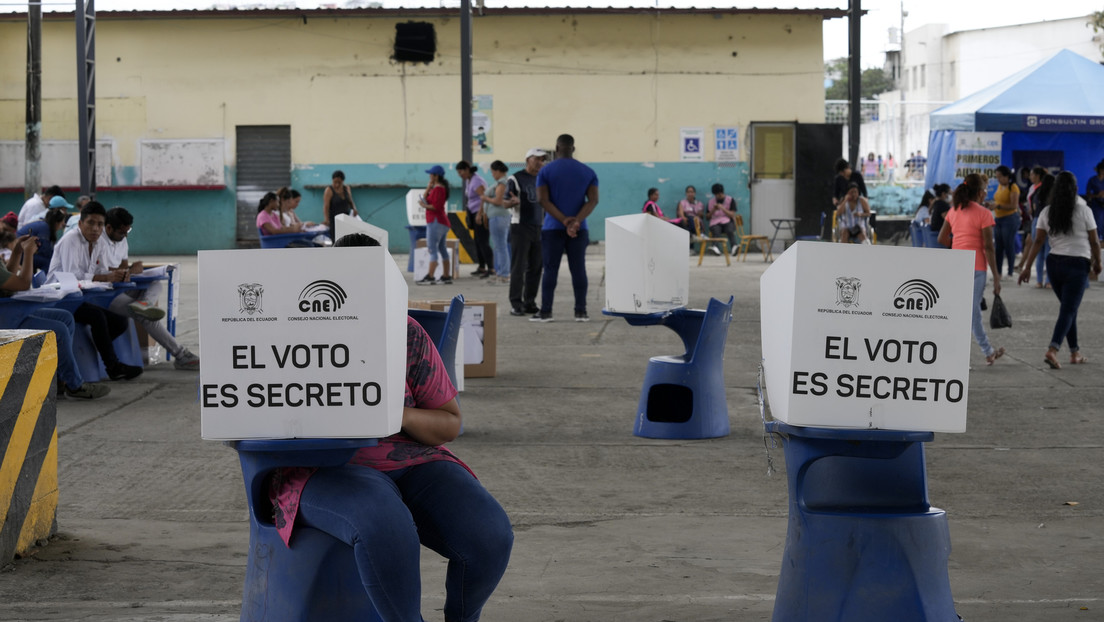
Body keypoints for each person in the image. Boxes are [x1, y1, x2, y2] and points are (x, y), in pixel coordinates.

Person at [268, 232, 513, 622]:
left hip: (411, 460)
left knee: (490, 536)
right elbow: (243, 409)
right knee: (386, 527)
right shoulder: (287, 334)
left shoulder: (406, 333)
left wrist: (395, 413)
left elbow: (449, 422)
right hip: (325, 466)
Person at [1, 233, 110, 399]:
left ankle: (60, 379)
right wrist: (28, 253)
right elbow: (22, 284)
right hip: (6, 317)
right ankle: (75, 385)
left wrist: (17, 252)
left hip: (11, 311)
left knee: (65, 317)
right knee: (58, 330)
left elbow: (7, 278)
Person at [47, 201, 143, 381]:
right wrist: (105, 277)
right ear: (80, 223)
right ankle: (113, 367)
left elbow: (102, 271)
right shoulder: (70, 240)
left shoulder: (99, 244)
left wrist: (119, 275)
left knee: (119, 322)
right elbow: (72, 276)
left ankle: (96, 346)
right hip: (60, 298)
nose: (95, 229)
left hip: (79, 298)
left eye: (99, 224)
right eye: (90, 223)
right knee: (97, 317)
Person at [1018, 171, 1102, 369]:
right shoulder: (1084, 211)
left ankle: (1074, 352)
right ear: (1076, 189)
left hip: (1054, 265)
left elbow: (1038, 241)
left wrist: (1027, 267)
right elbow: (1094, 241)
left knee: (1068, 308)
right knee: (1068, 309)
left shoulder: (1047, 212)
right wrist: (1098, 262)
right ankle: (1053, 349)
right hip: (1077, 265)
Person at [102, 207, 200, 371]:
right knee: (146, 317)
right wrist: (124, 271)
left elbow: (123, 267)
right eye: (122, 232)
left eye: (128, 232)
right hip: (106, 295)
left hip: (121, 287)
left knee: (155, 283)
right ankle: (181, 354)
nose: (125, 236)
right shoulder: (98, 242)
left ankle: (144, 303)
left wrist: (132, 269)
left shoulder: (121, 240)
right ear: (109, 228)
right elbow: (99, 272)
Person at [938, 173, 1005, 365]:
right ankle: (980, 352)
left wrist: (958, 246)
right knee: (971, 311)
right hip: (977, 268)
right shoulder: (984, 213)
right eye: (985, 190)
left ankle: (984, 351)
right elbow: (989, 247)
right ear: (980, 192)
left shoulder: (954, 210)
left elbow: (942, 238)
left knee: (967, 310)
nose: (985, 193)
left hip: (957, 267)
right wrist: (996, 276)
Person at [534, 133, 599, 322]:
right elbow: (593, 200)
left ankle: (546, 312)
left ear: (556, 149)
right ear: (573, 149)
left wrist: (564, 220)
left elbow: (542, 200)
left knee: (550, 269)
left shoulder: (545, 171)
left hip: (552, 228)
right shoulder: (588, 172)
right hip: (579, 229)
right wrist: (576, 221)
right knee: (578, 269)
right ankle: (581, 312)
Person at [505, 148, 545, 317]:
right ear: (528, 160)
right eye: (537, 159)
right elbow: (505, 202)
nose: (540, 162)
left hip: (539, 227)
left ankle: (530, 302)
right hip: (520, 227)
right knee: (518, 267)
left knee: (536, 267)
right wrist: (512, 202)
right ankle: (516, 303)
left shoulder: (543, 179)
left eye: (542, 160)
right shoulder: (515, 178)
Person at [416, 165, 453, 285]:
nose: (429, 176)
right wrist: (428, 187)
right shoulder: (437, 188)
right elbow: (425, 198)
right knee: (442, 248)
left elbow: (435, 207)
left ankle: (430, 276)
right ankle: (446, 276)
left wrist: (424, 206)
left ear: (436, 176)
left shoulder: (438, 189)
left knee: (432, 249)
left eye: (431, 174)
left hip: (436, 222)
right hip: (441, 222)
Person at [457, 161, 494, 278]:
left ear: (467, 169)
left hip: (480, 213)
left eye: (461, 172)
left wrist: (480, 214)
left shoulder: (477, 181)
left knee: (483, 241)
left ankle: (491, 268)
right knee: (477, 241)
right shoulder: (469, 180)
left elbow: (484, 197)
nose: (460, 175)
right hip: (473, 213)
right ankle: (482, 267)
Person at [1018, 168, 1052, 287]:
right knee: (1048, 252)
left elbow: (1031, 207)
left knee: (1039, 252)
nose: (1030, 176)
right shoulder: (1052, 194)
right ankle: (1048, 281)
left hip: (1037, 221)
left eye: (1032, 174)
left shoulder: (1036, 192)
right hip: (1050, 221)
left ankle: (1039, 280)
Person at [987, 165, 1021, 277]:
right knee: (998, 246)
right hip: (998, 219)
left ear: (1007, 176)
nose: (998, 179)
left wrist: (998, 206)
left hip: (1010, 219)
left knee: (1008, 245)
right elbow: (998, 201)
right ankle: (998, 272)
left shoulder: (1013, 187)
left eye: (1000, 177)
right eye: (997, 177)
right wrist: (992, 205)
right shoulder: (1000, 187)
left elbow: (1013, 205)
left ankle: (1010, 272)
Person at [483, 160, 512, 284]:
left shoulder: (502, 183)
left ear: (498, 171)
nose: (492, 174)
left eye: (493, 172)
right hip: (498, 217)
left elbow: (499, 201)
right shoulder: (501, 182)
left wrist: (485, 198)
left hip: (499, 217)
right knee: (499, 246)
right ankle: (500, 272)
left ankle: (504, 274)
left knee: (501, 246)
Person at [16, 207, 68, 272]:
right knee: (48, 262)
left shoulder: (44, 225)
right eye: (62, 223)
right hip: (20, 253)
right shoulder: (44, 227)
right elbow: (45, 250)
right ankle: (48, 278)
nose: (62, 226)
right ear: (56, 223)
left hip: (22, 252)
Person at [323, 170, 358, 240]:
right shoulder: (329, 190)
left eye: (339, 182)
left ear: (343, 181)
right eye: (335, 182)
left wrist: (354, 208)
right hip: (334, 220)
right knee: (336, 240)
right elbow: (326, 207)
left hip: (345, 218)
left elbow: (350, 200)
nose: (337, 185)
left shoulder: (346, 188)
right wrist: (327, 220)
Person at [706, 183, 738, 255]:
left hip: (727, 221)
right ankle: (715, 248)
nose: (719, 195)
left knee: (730, 230)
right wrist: (713, 210)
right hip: (715, 222)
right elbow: (707, 217)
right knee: (716, 230)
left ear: (723, 192)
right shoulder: (711, 202)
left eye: (720, 193)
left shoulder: (730, 200)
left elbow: (732, 214)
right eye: (717, 194)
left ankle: (734, 247)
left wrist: (722, 208)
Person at [676, 185, 705, 254]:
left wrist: (699, 213)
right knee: (688, 220)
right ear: (686, 193)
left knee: (692, 220)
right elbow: (680, 213)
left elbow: (701, 215)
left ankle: (692, 239)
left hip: (697, 222)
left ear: (694, 193)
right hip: (686, 220)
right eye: (688, 192)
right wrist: (683, 218)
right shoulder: (682, 202)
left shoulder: (699, 203)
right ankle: (696, 236)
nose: (690, 194)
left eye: (692, 192)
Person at [928, 183, 952, 248]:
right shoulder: (942, 205)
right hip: (941, 236)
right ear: (943, 194)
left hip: (935, 237)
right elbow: (949, 220)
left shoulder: (936, 203)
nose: (950, 196)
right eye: (949, 194)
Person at [1085, 160, 1104, 240]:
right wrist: (1097, 195)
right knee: (1097, 223)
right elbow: (1088, 193)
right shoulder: (1093, 180)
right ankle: (1098, 240)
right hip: (1097, 205)